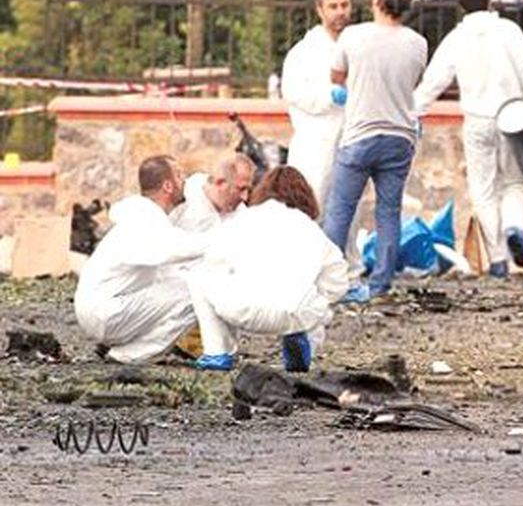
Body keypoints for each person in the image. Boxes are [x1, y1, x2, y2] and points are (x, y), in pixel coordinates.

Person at [413, 0, 523, 279]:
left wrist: (413, 112)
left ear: (461, 5)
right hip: (513, 117)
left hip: (477, 120)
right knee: (515, 183)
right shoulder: (510, 31)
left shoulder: (457, 37)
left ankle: (497, 259)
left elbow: (434, 81)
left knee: (483, 190)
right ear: (491, 1)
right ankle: (514, 228)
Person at [323, 0, 427, 300]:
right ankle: (381, 283)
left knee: (340, 209)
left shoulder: (354, 36)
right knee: (388, 211)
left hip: (360, 133)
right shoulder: (418, 43)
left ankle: (327, 282)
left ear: (377, 2)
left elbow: (336, 77)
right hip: (400, 136)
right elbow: (414, 80)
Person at [189, 167, 349, 372]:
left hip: (244, 311)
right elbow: (338, 283)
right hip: (296, 315)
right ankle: (305, 341)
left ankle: (218, 352)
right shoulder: (311, 230)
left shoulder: (242, 220)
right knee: (321, 300)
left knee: (198, 276)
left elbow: (214, 261)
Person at [74, 155, 207, 364]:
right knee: (200, 289)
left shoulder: (145, 214)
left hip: (105, 308)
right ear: (168, 186)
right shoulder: (145, 219)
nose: (186, 182)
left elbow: (172, 267)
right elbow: (177, 248)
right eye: (180, 176)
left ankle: (122, 345)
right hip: (105, 313)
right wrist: (223, 242)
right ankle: (129, 355)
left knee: (180, 278)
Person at [281, 0, 352, 206]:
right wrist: (330, 96)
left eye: (345, 5)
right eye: (333, 6)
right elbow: (293, 92)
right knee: (313, 206)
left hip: (349, 142)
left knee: (348, 213)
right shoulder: (303, 53)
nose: (340, 12)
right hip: (315, 145)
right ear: (319, 10)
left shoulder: (357, 46)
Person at [169, 154, 254, 234]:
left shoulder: (241, 213)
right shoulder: (182, 199)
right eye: (241, 189)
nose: (244, 197)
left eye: (248, 190)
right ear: (220, 183)